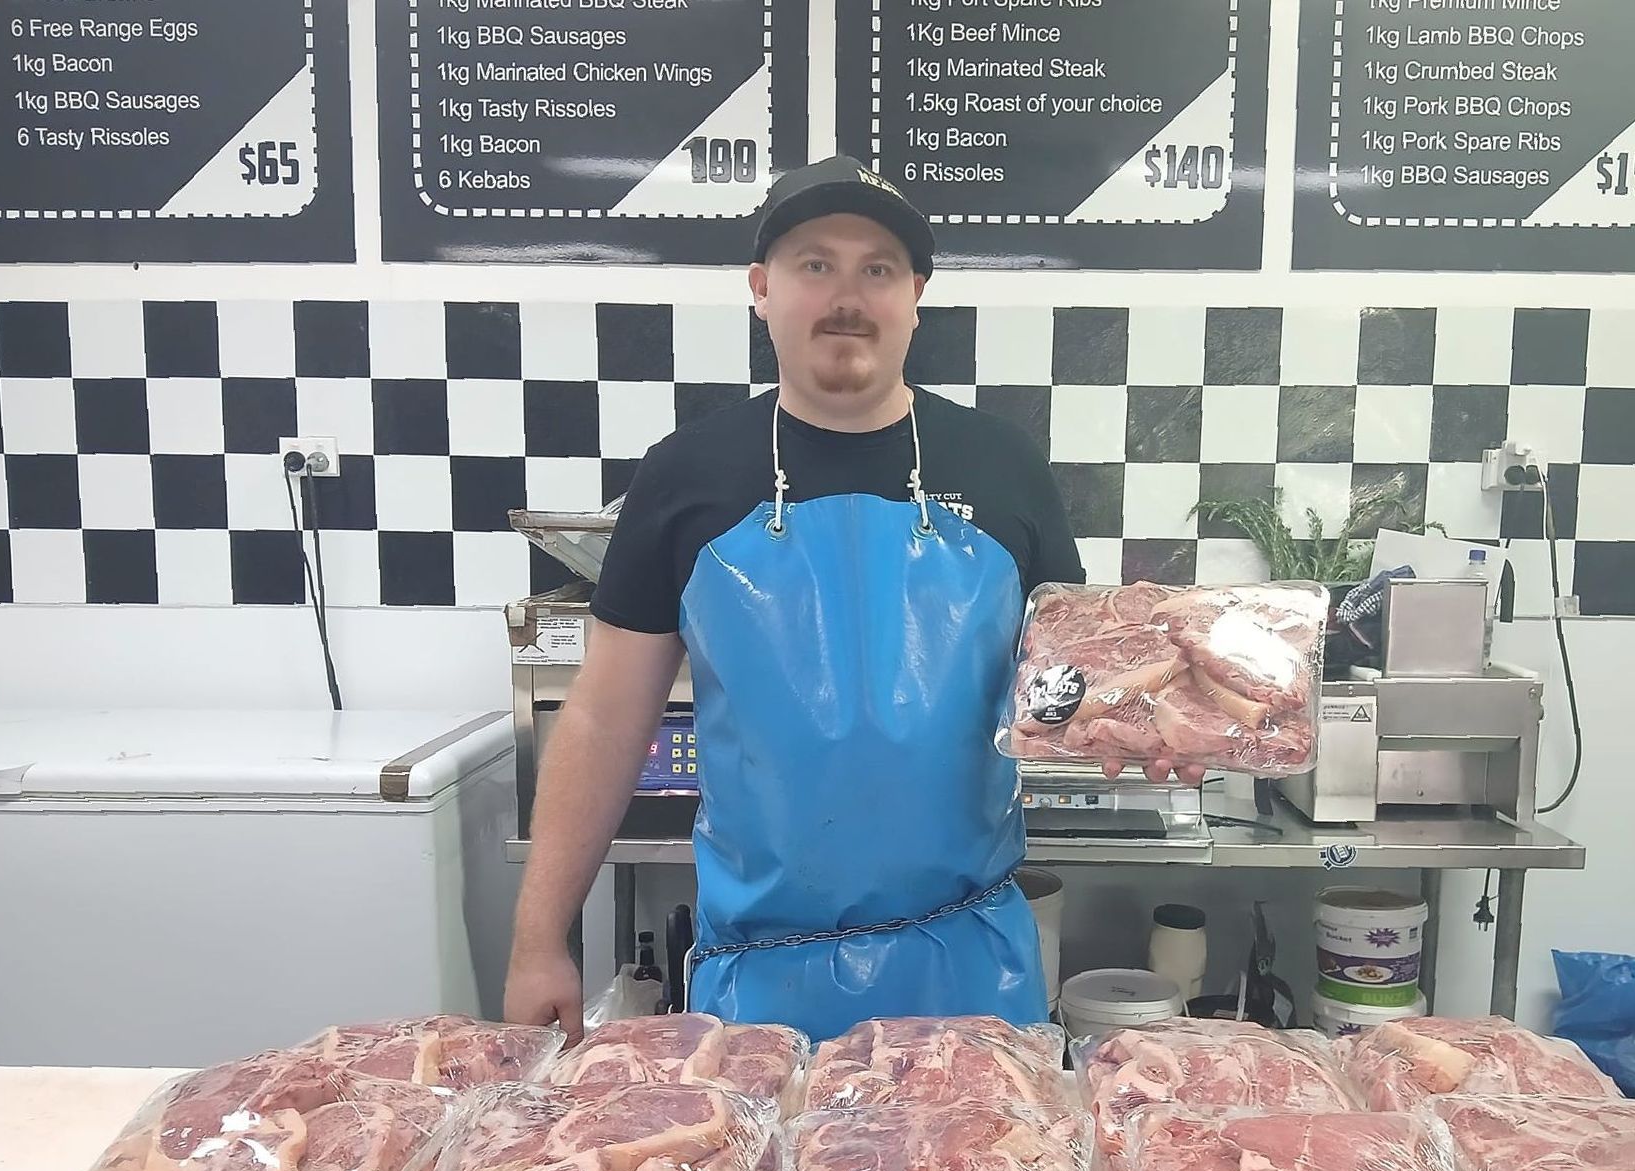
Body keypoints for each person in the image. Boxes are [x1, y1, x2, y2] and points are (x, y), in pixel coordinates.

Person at [504, 157, 1196, 1045]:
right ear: (762, 289)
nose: (847, 295)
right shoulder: (686, 475)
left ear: (915, 295)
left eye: (877, 268)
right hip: (758, 990)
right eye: (813, 264)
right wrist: (537, 940)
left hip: (974, 974)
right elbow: (602, 719)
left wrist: (1156, 726)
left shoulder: (1002, 465)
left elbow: (1065, 686)